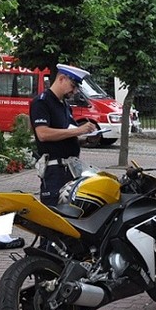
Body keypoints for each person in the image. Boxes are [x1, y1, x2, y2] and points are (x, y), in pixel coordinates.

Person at [29, 63, 97, 206]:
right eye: (73, 86)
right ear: (61, 79)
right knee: (56, 211)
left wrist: (81, 139)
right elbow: (43, 133)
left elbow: (64, 133)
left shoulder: (65, 105)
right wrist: (78, 130)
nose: (75, 91)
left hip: (70, 169)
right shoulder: (42, 102)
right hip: (55, 170)